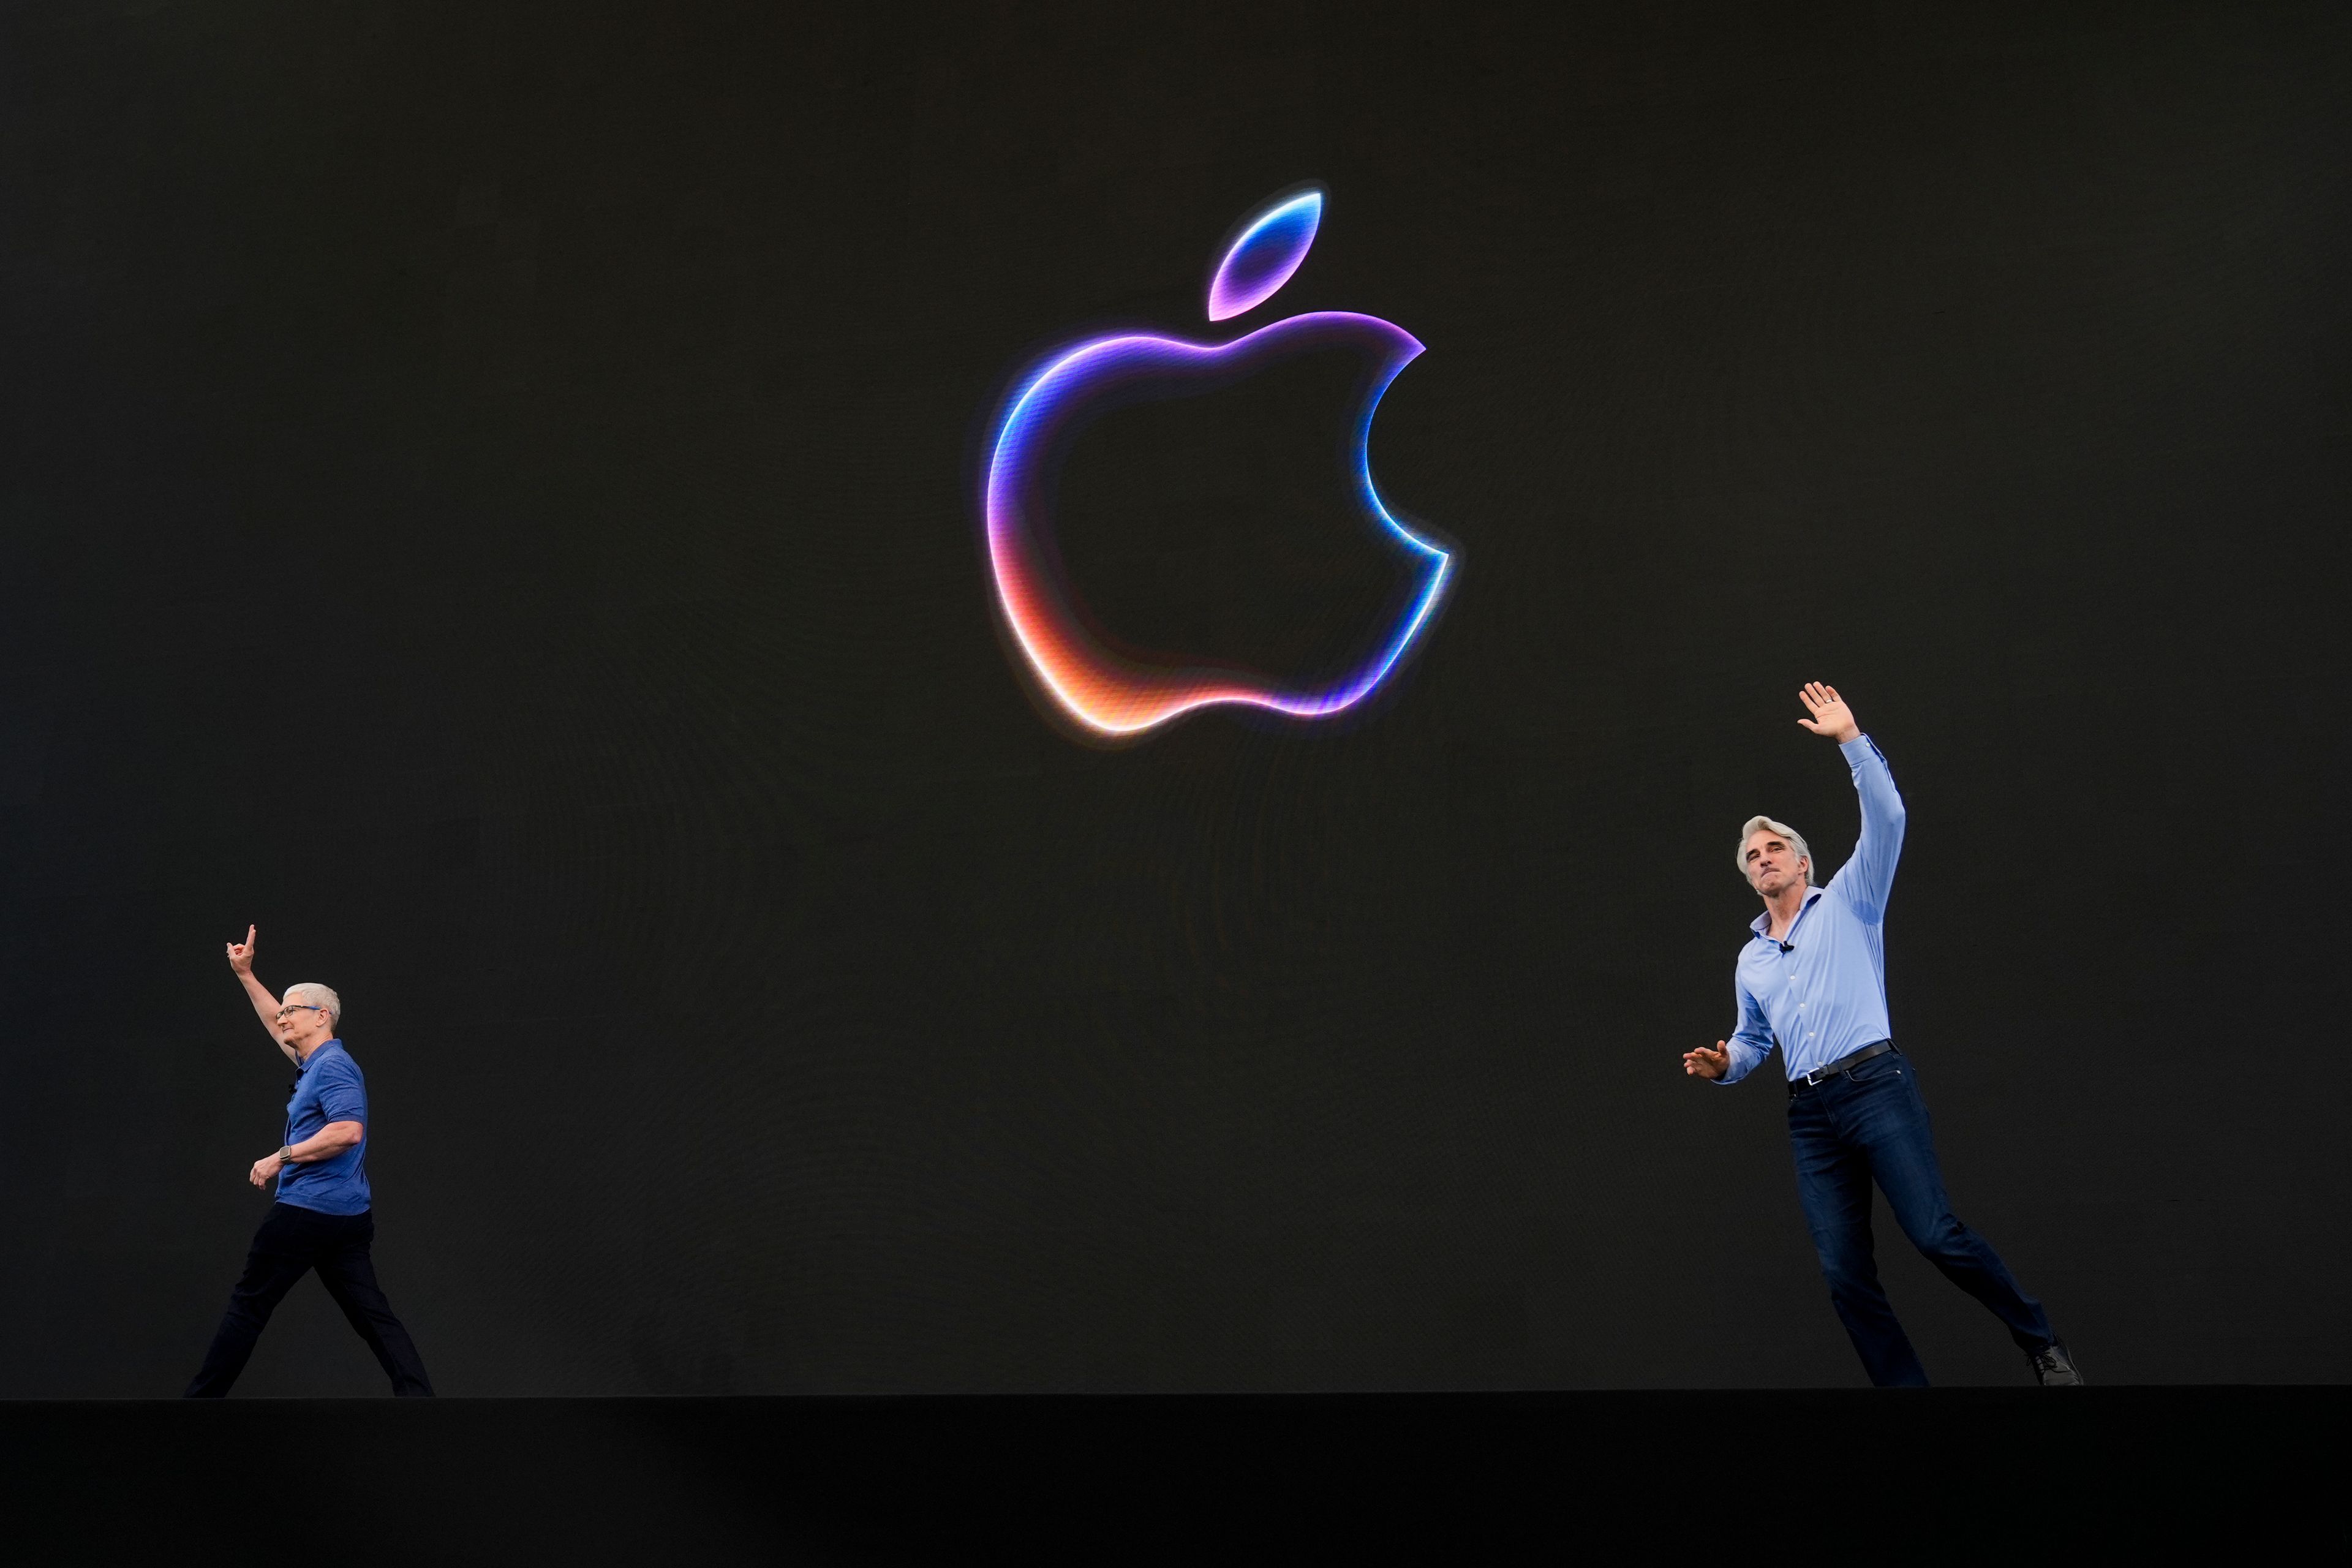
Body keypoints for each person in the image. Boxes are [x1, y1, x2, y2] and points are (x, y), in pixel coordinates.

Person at [1681, 684, 2081, 1387]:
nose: (1765, 858)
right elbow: (1753, 1043)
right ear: (1749, 878)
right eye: (1754, 856)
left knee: (1934, 1234)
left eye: (1776, 848)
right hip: (1811, 1113)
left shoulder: (1851, 901)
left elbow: (1888, 818)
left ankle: (2041, 1341)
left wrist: (1851, 740)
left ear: (1803, 863)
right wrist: (1726, 1064)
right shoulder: (1751, 958)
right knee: (1843, 1274)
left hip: (1875, 1087)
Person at [184, 927, 434, 1397]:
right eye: (281, 1012)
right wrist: (246, 975)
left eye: (291, 1010)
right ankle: (420, 1400)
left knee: (248, 1306)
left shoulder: (334, 1066)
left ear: (323, 1017)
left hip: (306, 1211)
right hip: (346, 1218)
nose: (281, 1018)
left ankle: (197, 1406)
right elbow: (270, 1019)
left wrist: (281, 1156)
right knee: (371, 1314)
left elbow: (348, 1131)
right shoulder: (314, 1063)